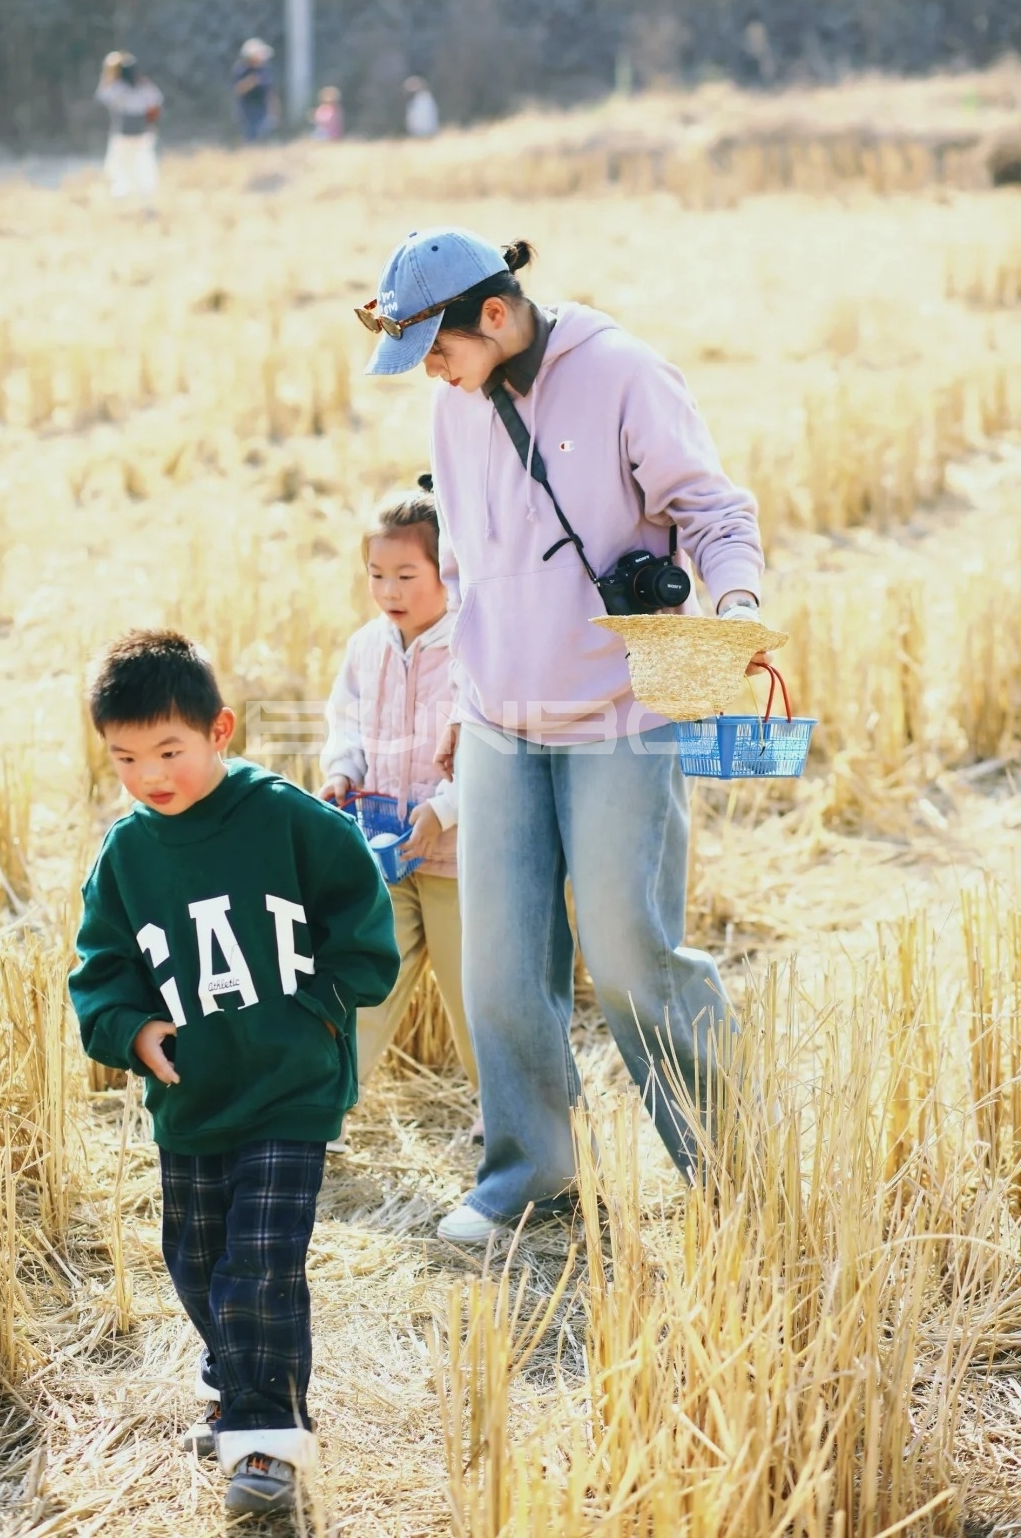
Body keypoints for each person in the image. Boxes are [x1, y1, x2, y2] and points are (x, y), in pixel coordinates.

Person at [354, 228, 766, 1245]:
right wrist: (457, 704)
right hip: (497, 719)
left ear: (493, 315)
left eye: (438, 350)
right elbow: (478, 574)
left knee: (630, 955)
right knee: (500, 962)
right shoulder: (454, 410)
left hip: (622, 716)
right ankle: (526, 1174)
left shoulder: (625, 374)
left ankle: (732, 1168)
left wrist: (738, 602)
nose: (433, 378)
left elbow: (712, 509)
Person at [68, 630, 398, 1513]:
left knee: (261, 1258)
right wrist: (134, 1034)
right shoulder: (126, 855)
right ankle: (237, 1382)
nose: (149, 775)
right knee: (198, 1258)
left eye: (168, 750)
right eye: (125, 757)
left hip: (290, 1084)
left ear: (221, 731)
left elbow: (359, 912)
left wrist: (325, 1009)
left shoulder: (288, 819)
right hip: (193, 1095)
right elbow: (100, 972)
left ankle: (266, 1440)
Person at [318, 485, 479, 1132]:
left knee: (474, 994)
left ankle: (507, 1118)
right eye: (377, 575)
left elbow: (491, 748)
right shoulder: (367, 648)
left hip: (457, 860)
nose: (389, 589)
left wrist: (443, 810)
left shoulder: (473, 647)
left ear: (447, 572)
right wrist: (341, 771)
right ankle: (321, 1102)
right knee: (368, 982)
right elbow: (346, 722)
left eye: (407, 575)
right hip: (385, 849)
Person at [95, 52, 163, 200]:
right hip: (139, 131)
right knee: (141, 162)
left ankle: (130, 192)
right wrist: (152, 124)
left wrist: (109, 72)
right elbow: (155, 104)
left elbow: (103, 94)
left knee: (122, 164)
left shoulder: (117, 87)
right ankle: (139, 192)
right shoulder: (145, 87)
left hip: (125, 132)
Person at [232, 38, 277, 143]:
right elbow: (238, 89)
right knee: (250, 135)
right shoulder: (242, 70)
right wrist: (251, 81)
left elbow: (270, 91)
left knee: (263, 134)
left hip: (262, 108)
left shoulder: (264, 70)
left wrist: (274, 109)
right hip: (247, 109)